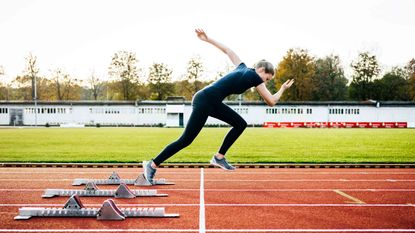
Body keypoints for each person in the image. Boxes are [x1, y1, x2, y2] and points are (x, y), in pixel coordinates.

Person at [143, 29, 294, 184]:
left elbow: (228, 51)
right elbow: (271, 101)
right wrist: (282, 89)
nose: (265, 82)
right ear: (261, 70)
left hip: (210, 100)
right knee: (186, 140)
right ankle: (152, 164)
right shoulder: (255, 77)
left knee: (240, 124)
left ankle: (219, 157)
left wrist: (207, 39)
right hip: (205, 100)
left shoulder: (242, 66)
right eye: (267, 78)